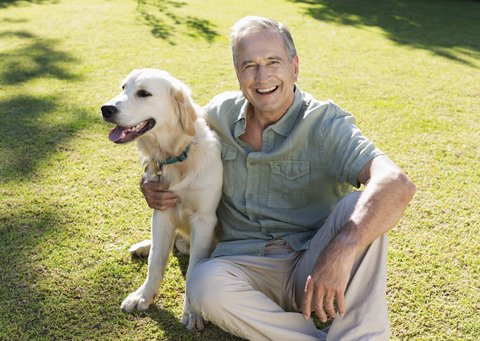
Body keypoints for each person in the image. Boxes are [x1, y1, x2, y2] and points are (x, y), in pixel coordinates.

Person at [141, 16, 416, 341]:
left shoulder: (326, 123)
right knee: (202, 284)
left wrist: (342, 248)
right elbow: (173, 139)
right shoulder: (218, 114)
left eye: (274, 62)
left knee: (363, 204)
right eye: (249, 66)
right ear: (238, 73)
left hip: (313, 264)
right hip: (241, 267)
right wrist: (148, 179)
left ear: (294, 66)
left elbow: (396, 183)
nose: (262, 76)